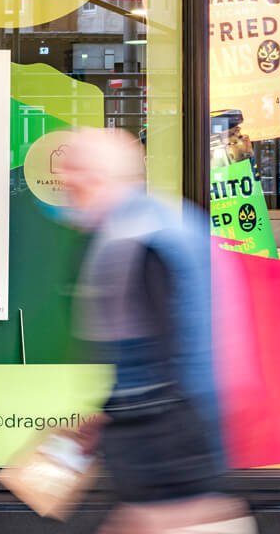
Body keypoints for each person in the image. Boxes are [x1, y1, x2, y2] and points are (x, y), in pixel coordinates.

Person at [56, 128, 254, 533]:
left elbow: (168, 352)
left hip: (164, 437)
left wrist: (126, 420)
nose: (64, 182)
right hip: (172, 428)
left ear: (97, 176)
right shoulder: (156, 221)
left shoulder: (137, 238)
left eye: (72, 171)